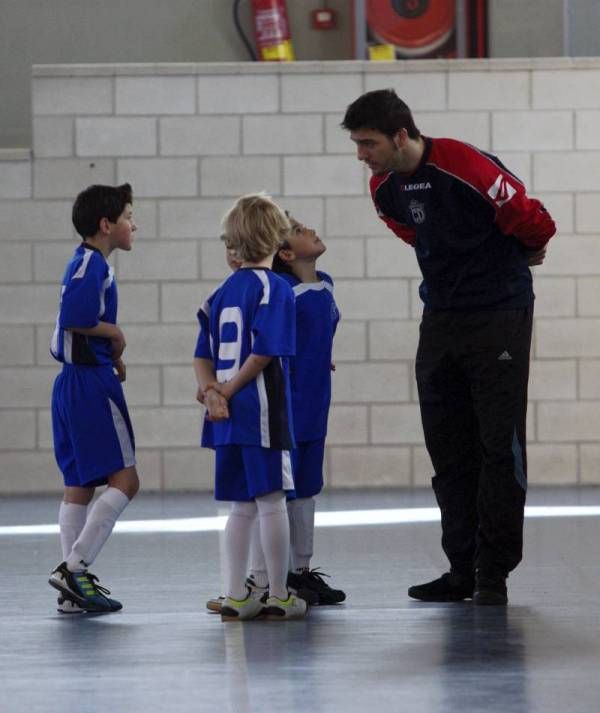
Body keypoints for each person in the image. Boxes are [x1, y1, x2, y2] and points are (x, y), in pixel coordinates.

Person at [342, 89, 556, 605]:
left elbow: (534, 220)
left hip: (498, 315)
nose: (361, 155)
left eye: (368, 143)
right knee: (448, 447)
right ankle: (461, 567)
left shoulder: (463, 163)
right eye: (356, 144)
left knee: (497, 446)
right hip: (441, 318)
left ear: (400, 135)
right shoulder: (384, 187)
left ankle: (493, 573)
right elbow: (409, 230)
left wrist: (516, 258)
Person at [194, 193, 307, 621]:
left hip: (225, 417)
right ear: (276, 241)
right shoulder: (275, 288)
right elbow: (262, 353)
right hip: (259, 410)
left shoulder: (220, 292)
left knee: (240, 508)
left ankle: (234, 594)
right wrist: (227, 390)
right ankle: (278, 593)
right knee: (272, 501)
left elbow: (200, 353)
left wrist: (210, 390)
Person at [48, 183, 140, 614]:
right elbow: (76, 318)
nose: (133, 224)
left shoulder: (82, 263)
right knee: (126, 481)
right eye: (127, 217)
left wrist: (111, 353)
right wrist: (115, 333)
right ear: (106, 225)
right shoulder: (92, 265)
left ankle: (71, 594)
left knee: (79, 486)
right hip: (88, 386)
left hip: (72, 381)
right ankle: (75, 567)